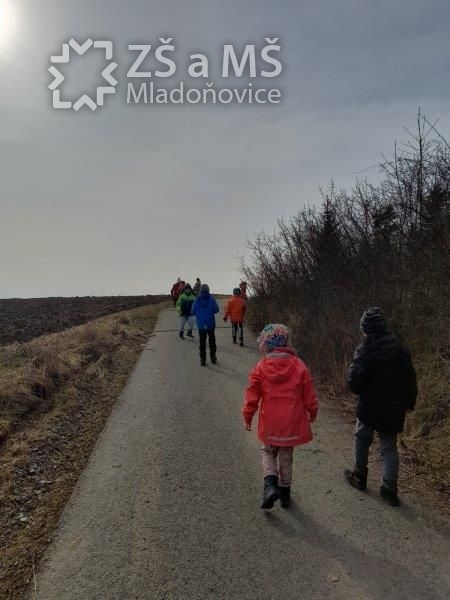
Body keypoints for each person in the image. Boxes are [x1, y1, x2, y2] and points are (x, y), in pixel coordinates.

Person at [344, 307, 417, 507]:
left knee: (362, 437)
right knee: (389, 447)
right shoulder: (401, 350)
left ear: (365, 330)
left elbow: (353, 383)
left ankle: (359, 475)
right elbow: (410, 380)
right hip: (393, 408)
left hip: (369, 406)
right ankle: (389, 489)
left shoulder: (364, 351)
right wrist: (409, 403)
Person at [242, 324, 318, 509]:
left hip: (270, 423)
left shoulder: (261, 367)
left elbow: (252, 395)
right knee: (286, 457)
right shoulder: (299, 365)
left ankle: (270, 485)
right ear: (285, 342)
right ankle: (285, 496)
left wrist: (247, 416)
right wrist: (313, 411)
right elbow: (309, 395)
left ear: (266, 344)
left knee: (268, 452)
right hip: (291, 424)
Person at [191, 283, 219, 366]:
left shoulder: (197, 299)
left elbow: (192, 311)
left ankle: (203, 360)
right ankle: (213, 358)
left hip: (201, 325)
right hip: (210, 324)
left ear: (200, 291)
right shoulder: (211, 298)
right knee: (212, 341)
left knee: (202, 342)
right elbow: (216, 309)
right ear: (208, 290)